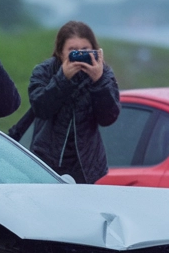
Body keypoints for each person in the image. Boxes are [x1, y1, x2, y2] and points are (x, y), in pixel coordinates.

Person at [21, 21, 120, 183]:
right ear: (60, 52)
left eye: (85, 50)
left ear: (95, 50)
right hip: (47, 160)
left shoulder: (104, 73)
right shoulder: (44, 71)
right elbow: (40, 108)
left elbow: (109, 117)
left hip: (86, 165)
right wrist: (63, 79)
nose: (79, 54)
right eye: (73, 50)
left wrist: (98, 81)